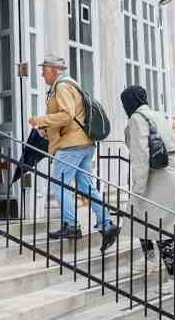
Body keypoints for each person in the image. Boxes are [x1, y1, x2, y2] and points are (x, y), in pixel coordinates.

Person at [30, 56, 118, 250]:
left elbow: (66, 115)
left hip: (71, 145)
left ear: (54, 70)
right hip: (84, 143)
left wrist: (41, 120)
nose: (42, 73)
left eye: (44, 69)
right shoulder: (72, 85)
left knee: (60, 184)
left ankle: (71, 225)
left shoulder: (61, 87)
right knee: (87, 186)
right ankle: (107, 224)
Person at [121, 85, 175, 276]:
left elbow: (141, 154)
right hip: (171, 175)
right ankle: (155, 262)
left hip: (156, 179)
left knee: (155, 226)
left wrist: (138, 188)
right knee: (149, 222)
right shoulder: (156, 115)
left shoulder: (136, 118)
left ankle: (171, 274)